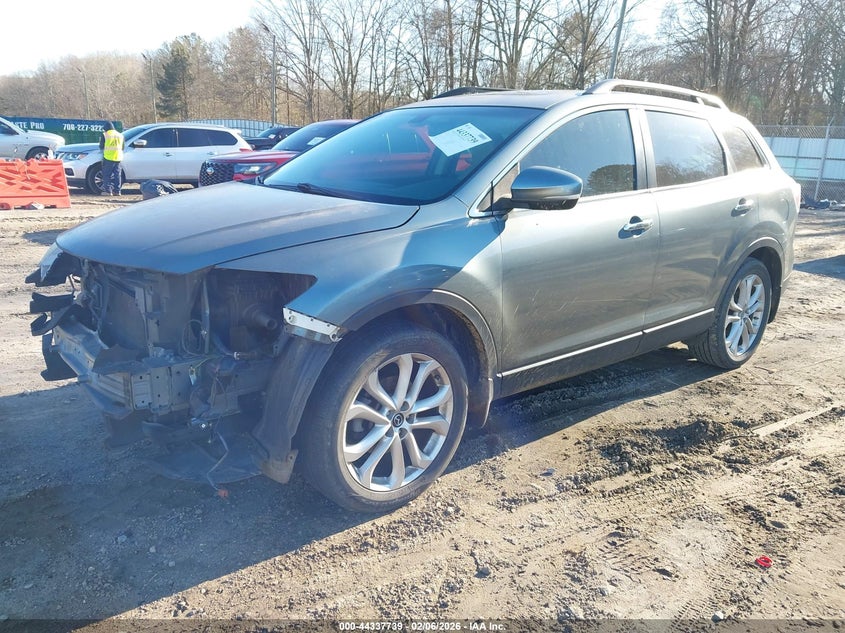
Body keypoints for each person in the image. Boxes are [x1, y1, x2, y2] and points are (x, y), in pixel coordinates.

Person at [99, 121, 124, 196]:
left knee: (107, 175)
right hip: (118, 157)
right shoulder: (120, 135)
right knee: (117, 175)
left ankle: (108, 191)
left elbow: (101, 146)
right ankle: (117, 191)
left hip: (108, 157)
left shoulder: (105, 135)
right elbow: (123, 147)